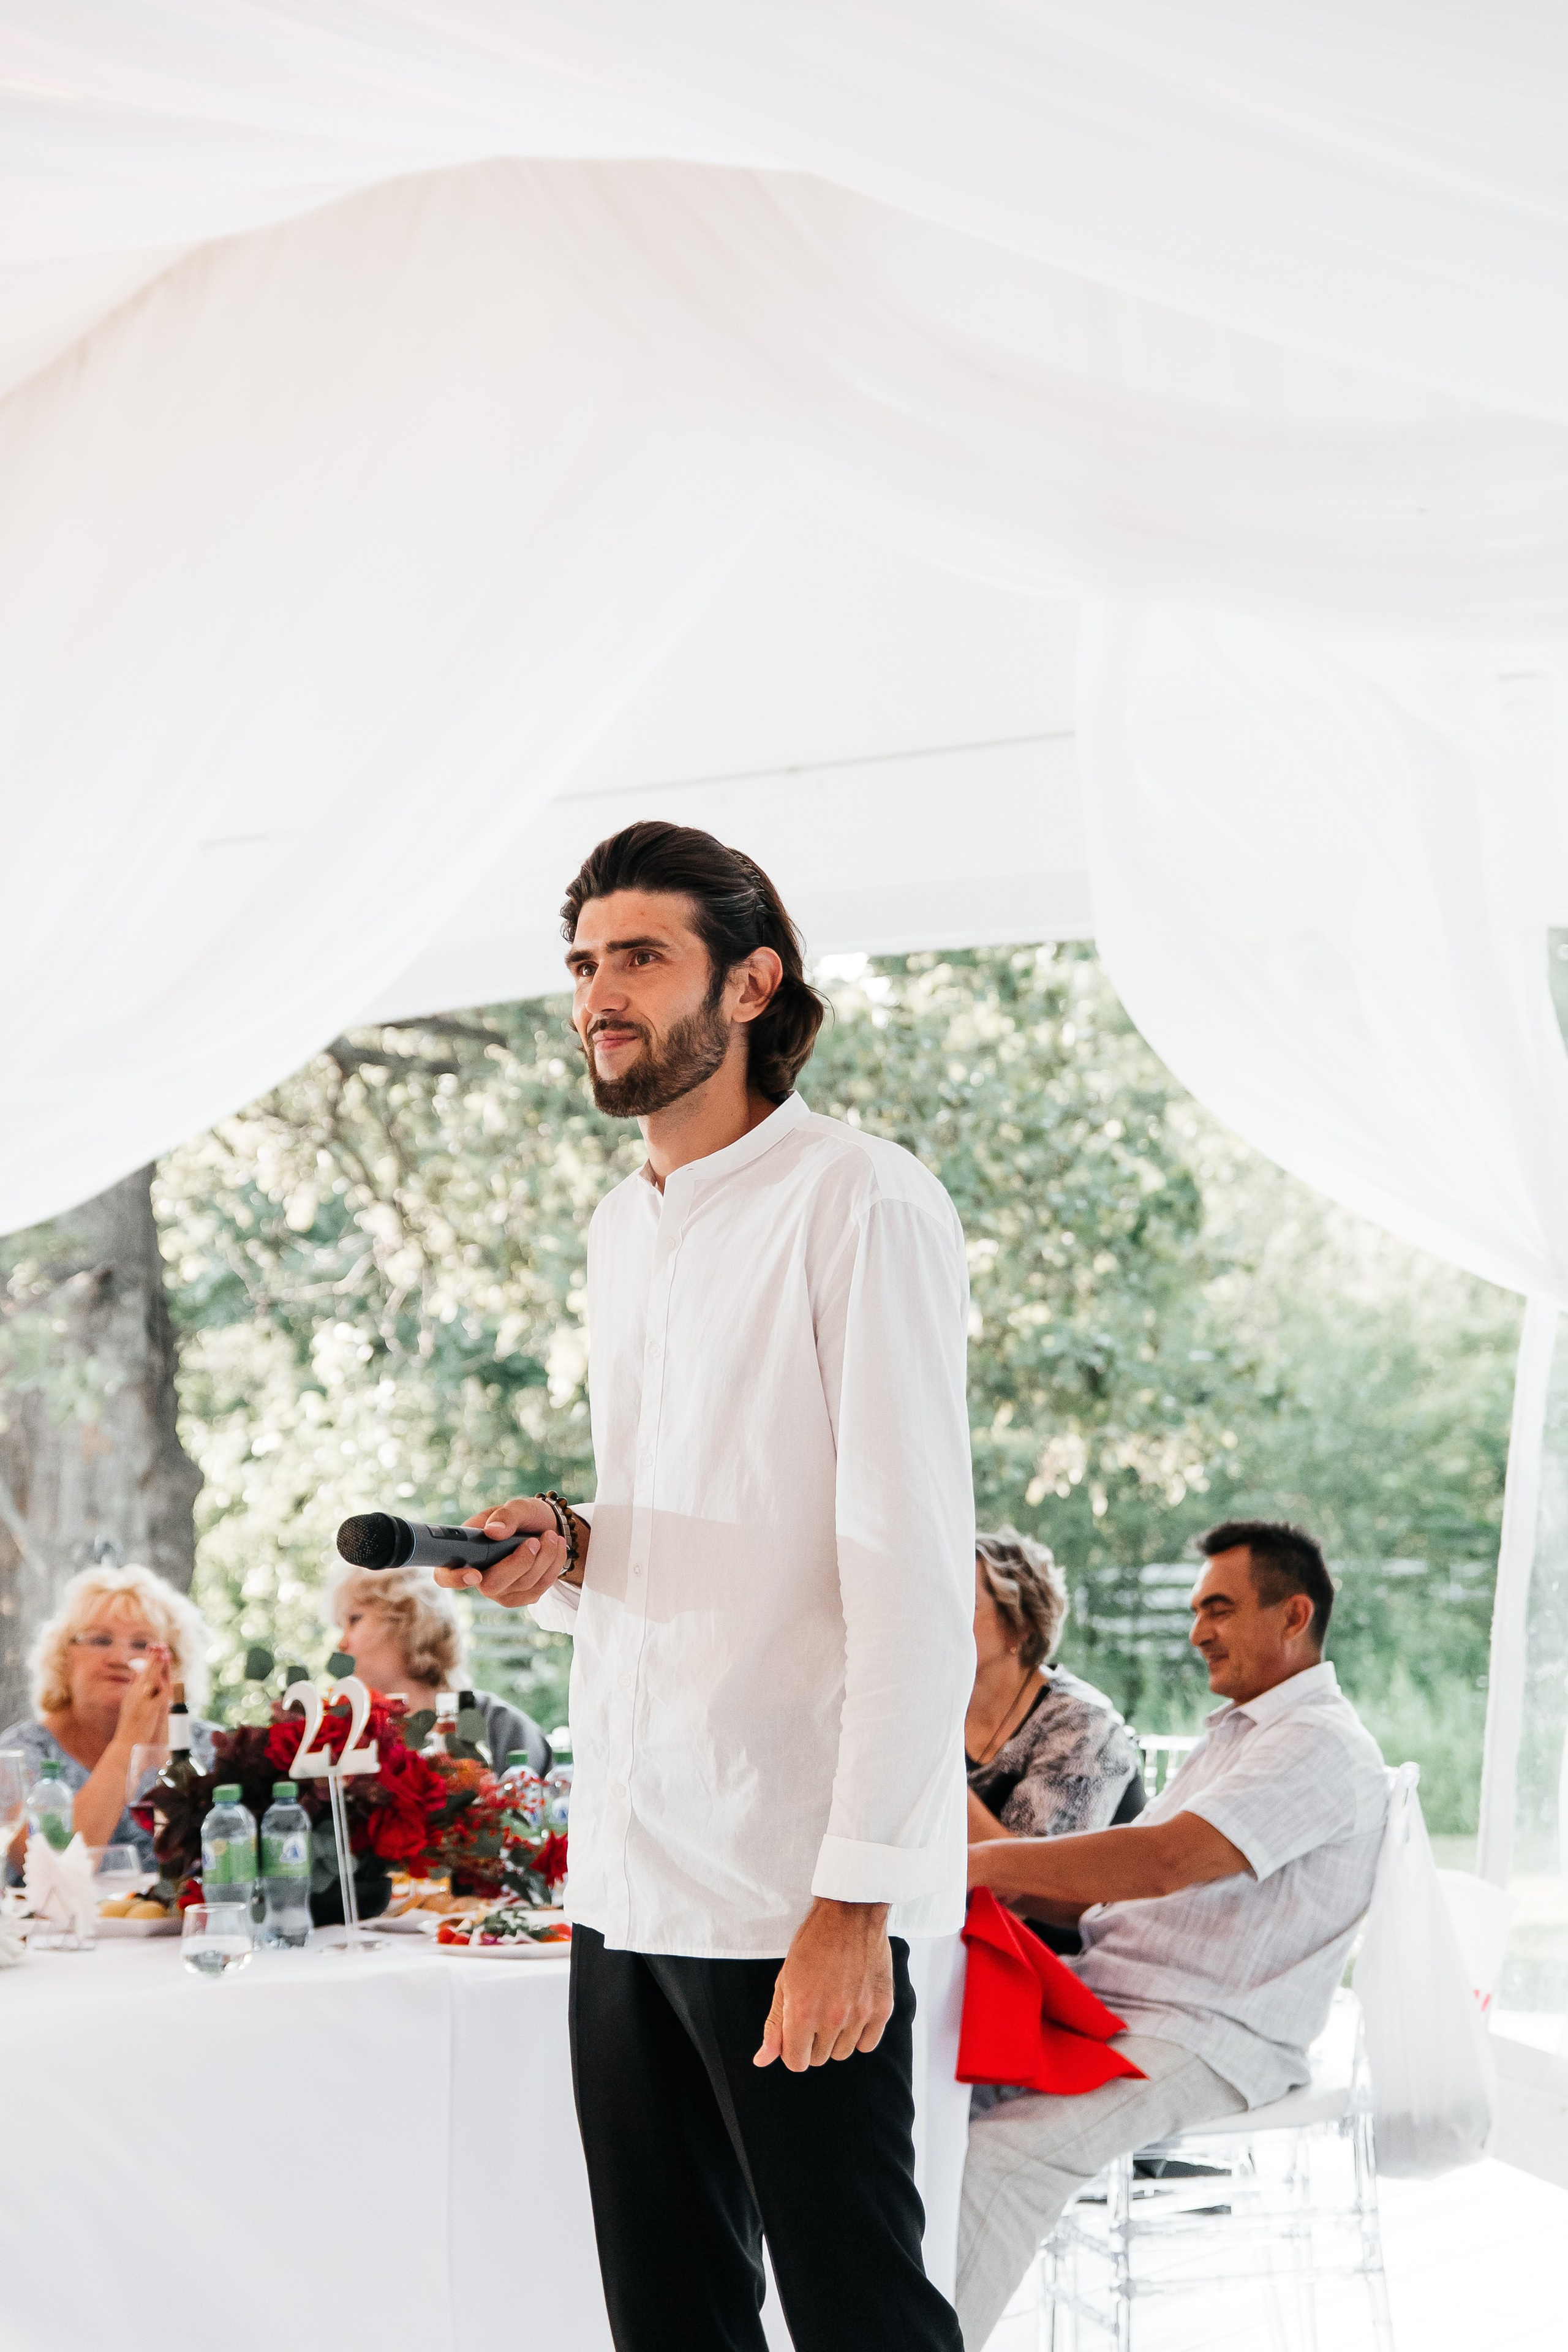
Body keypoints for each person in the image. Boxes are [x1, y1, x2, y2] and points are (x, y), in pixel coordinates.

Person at [434, 821, 974, 2352]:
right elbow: (718, 1525)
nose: (597, 995)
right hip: (624, 1875)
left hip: (787, 1880)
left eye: (639, 957)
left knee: (862, 2319)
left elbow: (911, 1577)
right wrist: (572, 1546)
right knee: (667, 2320)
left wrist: (852, 1901)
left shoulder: (859, 1201)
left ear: (750, 984)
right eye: (583, 963)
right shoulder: (624, 1225)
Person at [956, 1518, 1389, 2350]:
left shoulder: (1322, 1744)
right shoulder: (1240, 1734)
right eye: (1196, 1611)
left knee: (1000, 2159)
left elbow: (1162, 1862)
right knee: (918, 2097)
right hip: (1119, 1999)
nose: (1197, 1633)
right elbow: (1117, 1895)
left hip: (1208, 2034)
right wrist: (1000, 1882)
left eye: (1218, 1609)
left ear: (1294, 1615)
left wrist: (979, 1865)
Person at [965, 1530, 1144, 1976]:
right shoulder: (936, 1708)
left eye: (962, 1602)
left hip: (1064, 1973)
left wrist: (925, 1757)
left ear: (1020, 1627)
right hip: (962, 1955)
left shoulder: (1084, 1725)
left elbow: (1021, 1885)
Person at [2, 1562, 214, 1875]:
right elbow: (52, 1872)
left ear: (175, 1664)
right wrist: (129, 1741)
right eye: (101, 1640)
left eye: (143, 1645)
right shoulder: (21, 1755)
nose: (120, 1659)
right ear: (64, 1658)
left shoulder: (210, 1750)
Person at [329, 1560, 551, 1774]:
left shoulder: (503, 1729)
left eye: (354, 1619)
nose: (341, 1643)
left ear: (412, 1616)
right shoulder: (349, 1738)